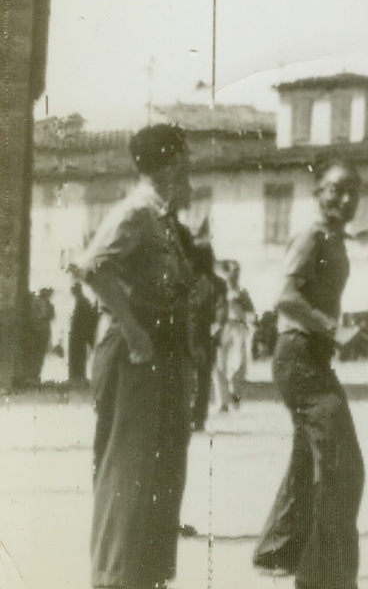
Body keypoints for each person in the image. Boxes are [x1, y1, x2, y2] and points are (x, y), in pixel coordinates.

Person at [75, 123, 195, 589]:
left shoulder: (162, 216)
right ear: (170, 163)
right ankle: (115, 579)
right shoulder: (138, 212)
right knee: (129, 470)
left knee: (160, 470)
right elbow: (92, 267)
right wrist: (132, 329)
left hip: (159, 354)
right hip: (133, 356)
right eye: (184, 159)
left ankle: (145, 577)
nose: (190, 167)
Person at [253, 160, 365, 589]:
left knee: (309, 457)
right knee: (343, 465)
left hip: (312, 356)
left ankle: (279, 549)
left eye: (353, 191)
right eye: (336, 190)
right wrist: (332, 327)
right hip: (298, 356)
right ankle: (323, 578)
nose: (346, 199)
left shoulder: (334, 238)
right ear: (319, 191)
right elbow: (286, 297)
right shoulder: (312, 235)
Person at [188, 241, 227, 431]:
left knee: (186, 375)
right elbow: (221, 309)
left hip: (187, 332)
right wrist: (218, 326)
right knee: (204, 378)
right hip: (206, 333)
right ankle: (199, 418)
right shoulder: (218, 283)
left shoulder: (187, 280)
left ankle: (187, 414)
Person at [215, 259, 254, 411]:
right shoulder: (219, 290)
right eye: (231, 271)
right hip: (223, 326)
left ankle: (235, 395)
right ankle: (223, 402)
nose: (234, 275)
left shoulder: (242, 291)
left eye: (237, 272)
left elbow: (251, 312)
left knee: (240, 363)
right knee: (220, 364)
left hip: (238, 327)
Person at [67, 279, 99, 385]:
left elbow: (84, 319)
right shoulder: (82, 301)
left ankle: (77, 377)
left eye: (73, 290)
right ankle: (77, 376)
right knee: (77, 356)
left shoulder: (82, 301)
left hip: (79, 334)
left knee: (78, 356)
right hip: (78, 334)